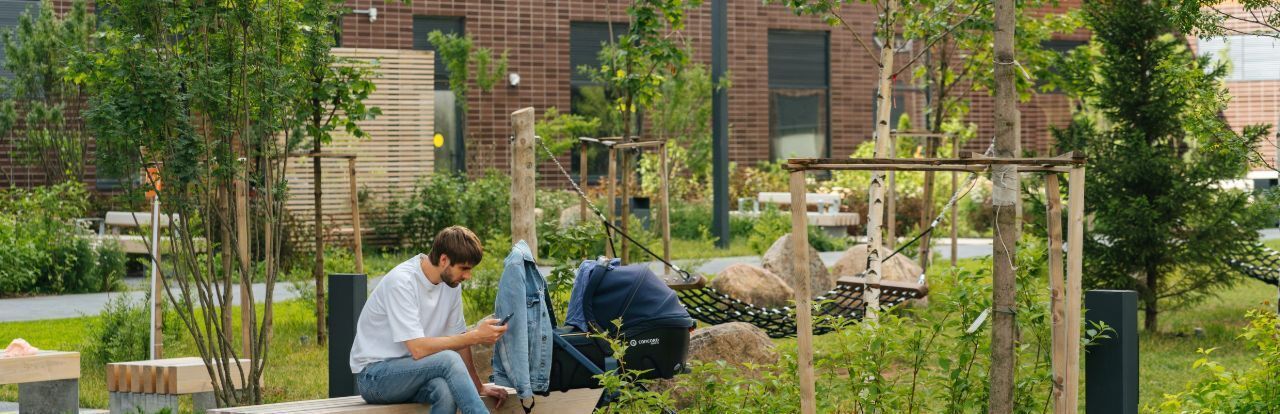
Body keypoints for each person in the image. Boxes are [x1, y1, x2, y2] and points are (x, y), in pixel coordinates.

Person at [350, 226, 508, 413]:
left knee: (445, 391)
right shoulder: (402, 282)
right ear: (443, 260)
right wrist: (476, 336)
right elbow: (418, 349)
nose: (468, 276)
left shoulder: (451, 285)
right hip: (374, 378)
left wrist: (478, 386)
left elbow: (459, 339)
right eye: (464, 268)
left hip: (414, 374)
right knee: (448, 358)